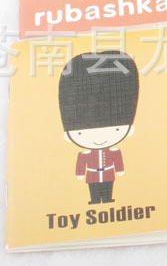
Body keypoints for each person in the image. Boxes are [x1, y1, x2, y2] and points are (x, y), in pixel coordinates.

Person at [59, 51, 139, 205]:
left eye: (116, 129)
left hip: (108, 174)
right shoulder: (85, 154)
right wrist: (80, 174)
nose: (99, 139)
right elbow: (81, 164)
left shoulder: (114, 152)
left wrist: (120, 170)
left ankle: (107, 198)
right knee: (94, 190)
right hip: (92, 175)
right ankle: (95, 200)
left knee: (108, 187)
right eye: (80, 133)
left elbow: (117, 161)